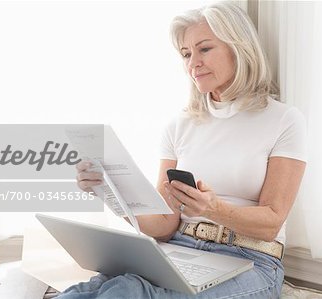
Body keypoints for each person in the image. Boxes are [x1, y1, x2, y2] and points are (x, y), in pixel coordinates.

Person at [63, 2, 307, 298]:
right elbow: (164, 225)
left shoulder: (283, 120)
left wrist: (213, 209)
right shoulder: (180, 125)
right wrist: (107, 192)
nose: (193, 63)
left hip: (252, 261)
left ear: (239, 48)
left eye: (205, 49)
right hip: (178, 249)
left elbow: (271, 222)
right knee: (93, 290)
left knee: (130, 292)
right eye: (186, 54)